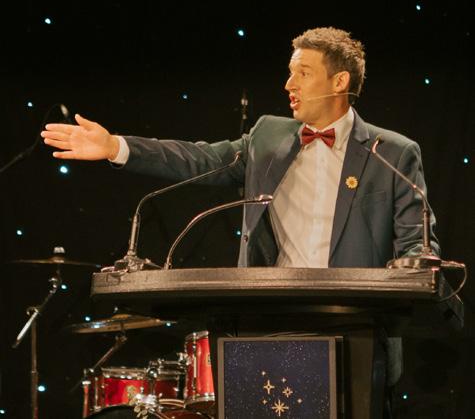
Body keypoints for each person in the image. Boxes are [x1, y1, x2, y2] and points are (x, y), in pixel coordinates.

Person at [41, 27, 439, 417]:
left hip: (354, 330)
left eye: (303, 73)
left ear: (340, 81)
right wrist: (116, 147)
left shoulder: (393, 153)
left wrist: (415, 266)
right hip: (266, 324)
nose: (288, 84)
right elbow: (197, 159)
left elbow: (417, 245)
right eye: (290, 72)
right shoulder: (268, 137)